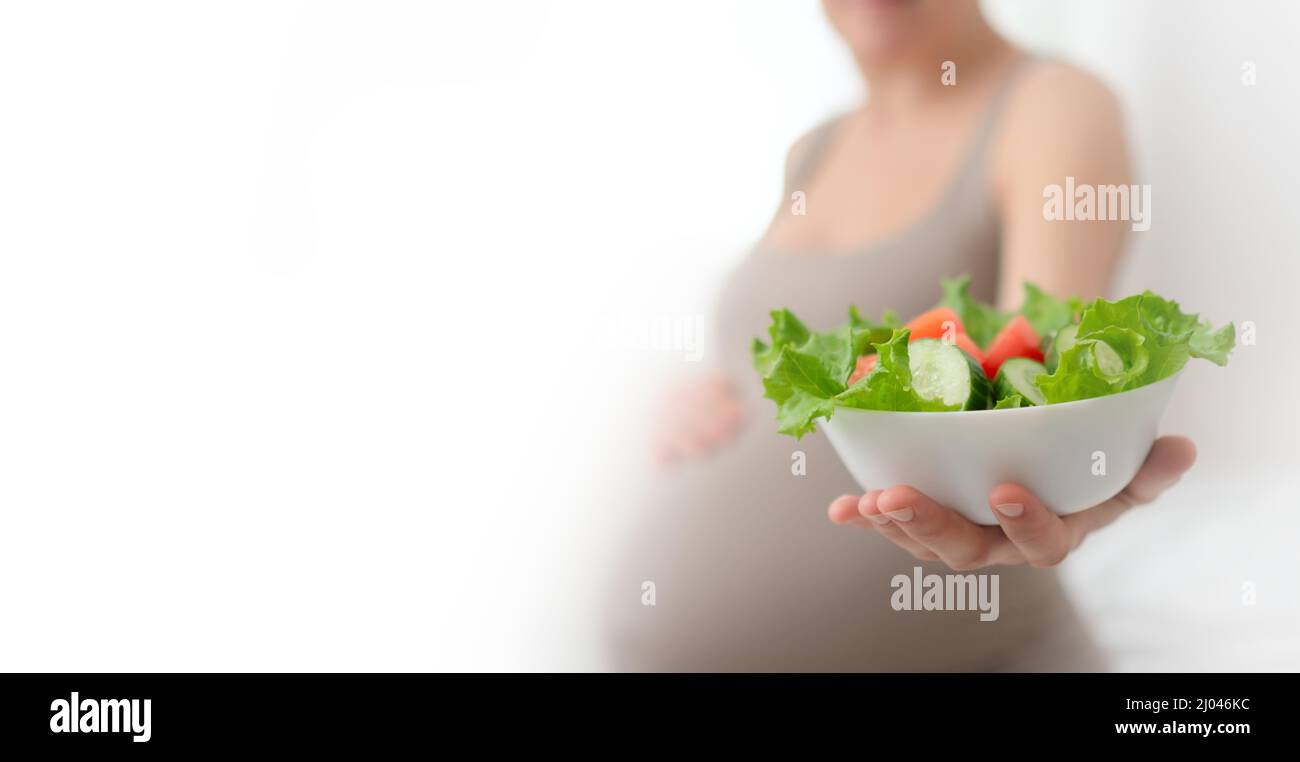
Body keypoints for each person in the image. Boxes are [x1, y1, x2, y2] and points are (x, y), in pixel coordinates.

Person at [606, 0, 1195, 671]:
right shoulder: (814, 149)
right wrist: (707, 395)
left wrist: (1073, 488)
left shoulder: (1050, 104)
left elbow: (1047, 384)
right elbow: (790, 363)